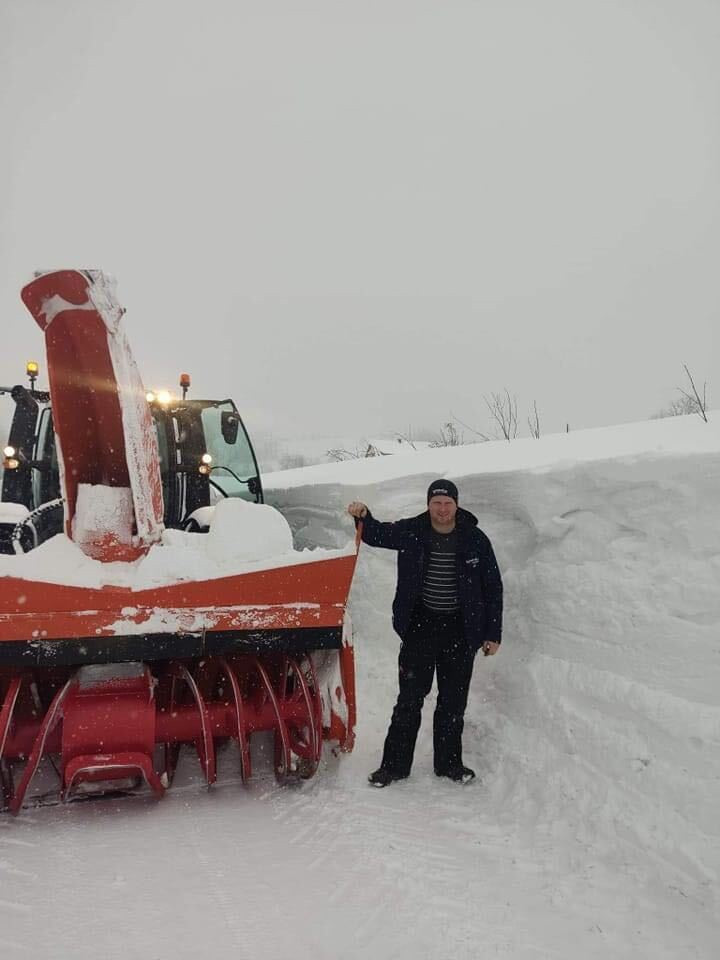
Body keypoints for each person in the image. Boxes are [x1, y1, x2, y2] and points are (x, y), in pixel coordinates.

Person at [347, 480, 503, 787]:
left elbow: (492, 586)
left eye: (447, 503)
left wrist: (492, 633)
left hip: (461, 630)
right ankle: (393, 767)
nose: (442, 509)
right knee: (409, 699)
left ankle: (449, 764)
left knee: (453, 702)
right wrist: (363, 516)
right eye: (437, 503)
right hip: (421, 626)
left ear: (456, 505)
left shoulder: (475, 539)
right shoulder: (412, 530)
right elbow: (377, 536)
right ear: (428, 505)